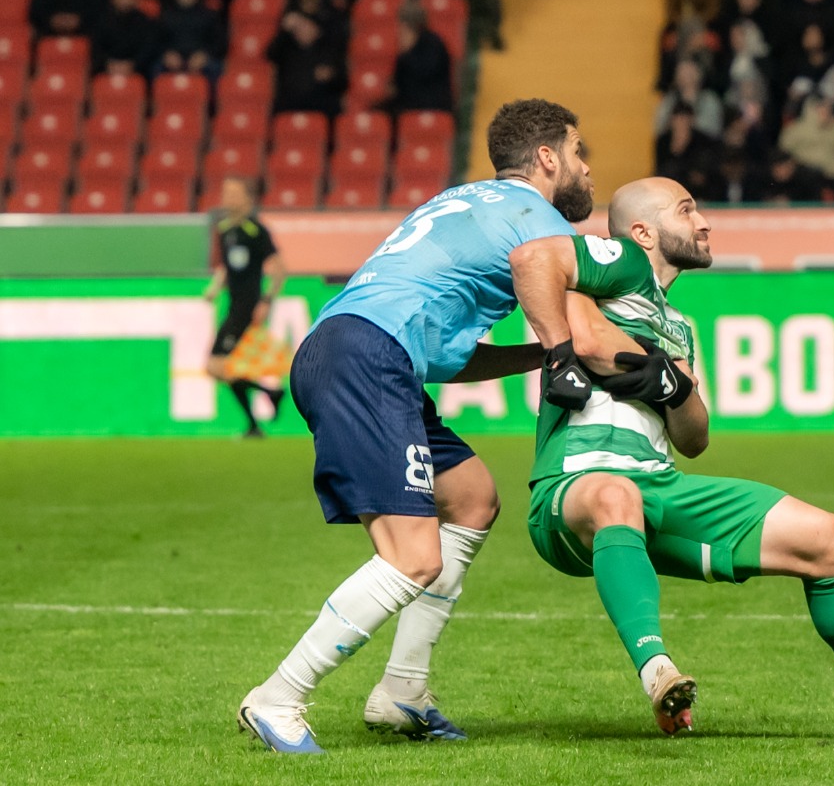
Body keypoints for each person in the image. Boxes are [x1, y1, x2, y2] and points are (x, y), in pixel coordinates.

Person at [236, 98, 620, 754]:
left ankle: (402, 691)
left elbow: (448, 357)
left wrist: (538, 354)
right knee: (413, 556)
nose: (587, 168)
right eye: (579, 153)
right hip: (369, 358)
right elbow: (580, 325)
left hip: (356, 348)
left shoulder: (462, 203)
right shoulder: (537, 217)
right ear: (547, 158)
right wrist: (604, 355)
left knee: (471, 497)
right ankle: (279, 695)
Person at [519, 177, 834, 746]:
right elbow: (576, 321)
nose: (704, 222)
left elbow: (694, 436)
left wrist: (675, 387)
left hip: (658, 487)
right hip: (571, 487)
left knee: (831, 539)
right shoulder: (620, 264)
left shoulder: (677, 324)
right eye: (686, 210)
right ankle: (658, 672)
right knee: (615, 494)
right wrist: (653, 367)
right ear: (643, 232)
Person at [202, 176, 286, 439]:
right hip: (233, 305)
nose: (228, 198)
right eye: (226, 192)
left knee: (215, 366)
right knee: (222, 368)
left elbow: (279, 270)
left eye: (234, 193)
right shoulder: (225, 229)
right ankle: (264, 405)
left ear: (248, 199)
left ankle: (260, 412)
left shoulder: (256, 231)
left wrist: (266, 301)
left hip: (247, 307)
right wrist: (215, 287)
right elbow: (227, 267)